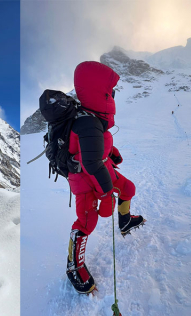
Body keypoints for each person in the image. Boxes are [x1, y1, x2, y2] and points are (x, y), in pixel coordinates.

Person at [66, 61, 145, 294]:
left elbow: (95, 148)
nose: (113, 94)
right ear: (98, 91)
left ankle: (125, 220)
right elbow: (89, 161)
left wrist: (112, 152)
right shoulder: (87, 122)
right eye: (110, 91)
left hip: (102, 170)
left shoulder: (92, 117)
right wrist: (107, 193)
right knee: (87, 222)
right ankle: (73, 266)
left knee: (128, 187)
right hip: (85, 180)